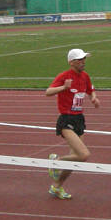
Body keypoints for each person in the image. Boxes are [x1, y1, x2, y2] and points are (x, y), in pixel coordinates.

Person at [46, 48, 100, 199]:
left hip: (79, 120)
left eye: (84, 59)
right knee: (83, 155)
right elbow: (48, 92)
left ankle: (56, 187)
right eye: (80, 59)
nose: (83, 62)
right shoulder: (64, 76)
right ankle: (56, 161)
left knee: (74, 158)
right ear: (71, 62)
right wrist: (63, 87)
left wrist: (94, 98)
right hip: (66, 120)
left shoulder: (85, 76)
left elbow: (90, 90)